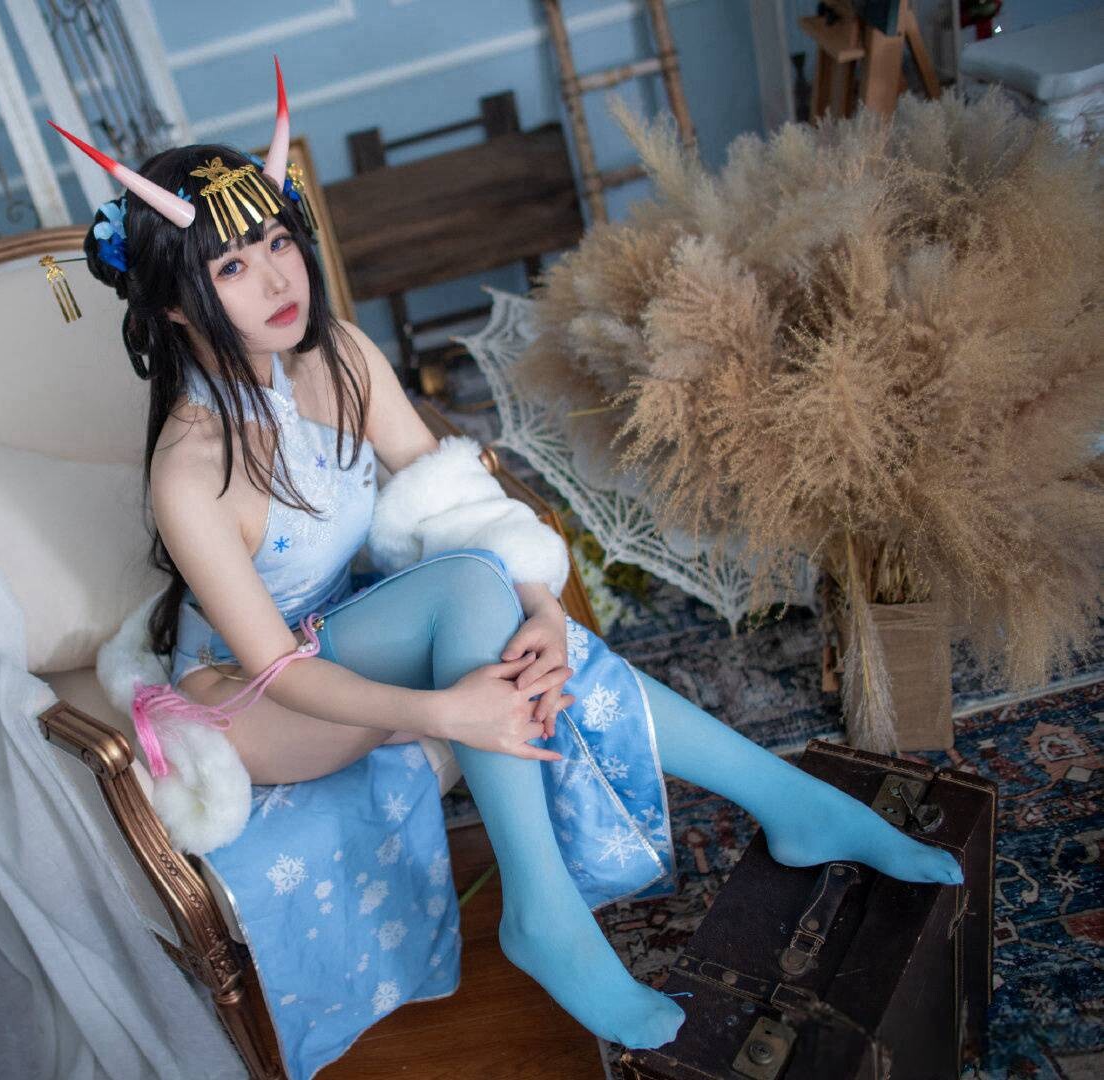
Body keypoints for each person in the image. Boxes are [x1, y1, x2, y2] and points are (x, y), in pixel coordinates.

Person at [49, 66, 964, 1073]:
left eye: (276, 241)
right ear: (176, 306)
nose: (278, 280)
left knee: (499, 603)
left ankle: (786, 809)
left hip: (353, 626)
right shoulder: (187, 471)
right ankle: (568, 904)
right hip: (254, 702)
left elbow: (452, 502)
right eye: (232, 266)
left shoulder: (338, 355)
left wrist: (540, 605)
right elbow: (277, 666)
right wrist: (447, 712)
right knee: (465, 598)